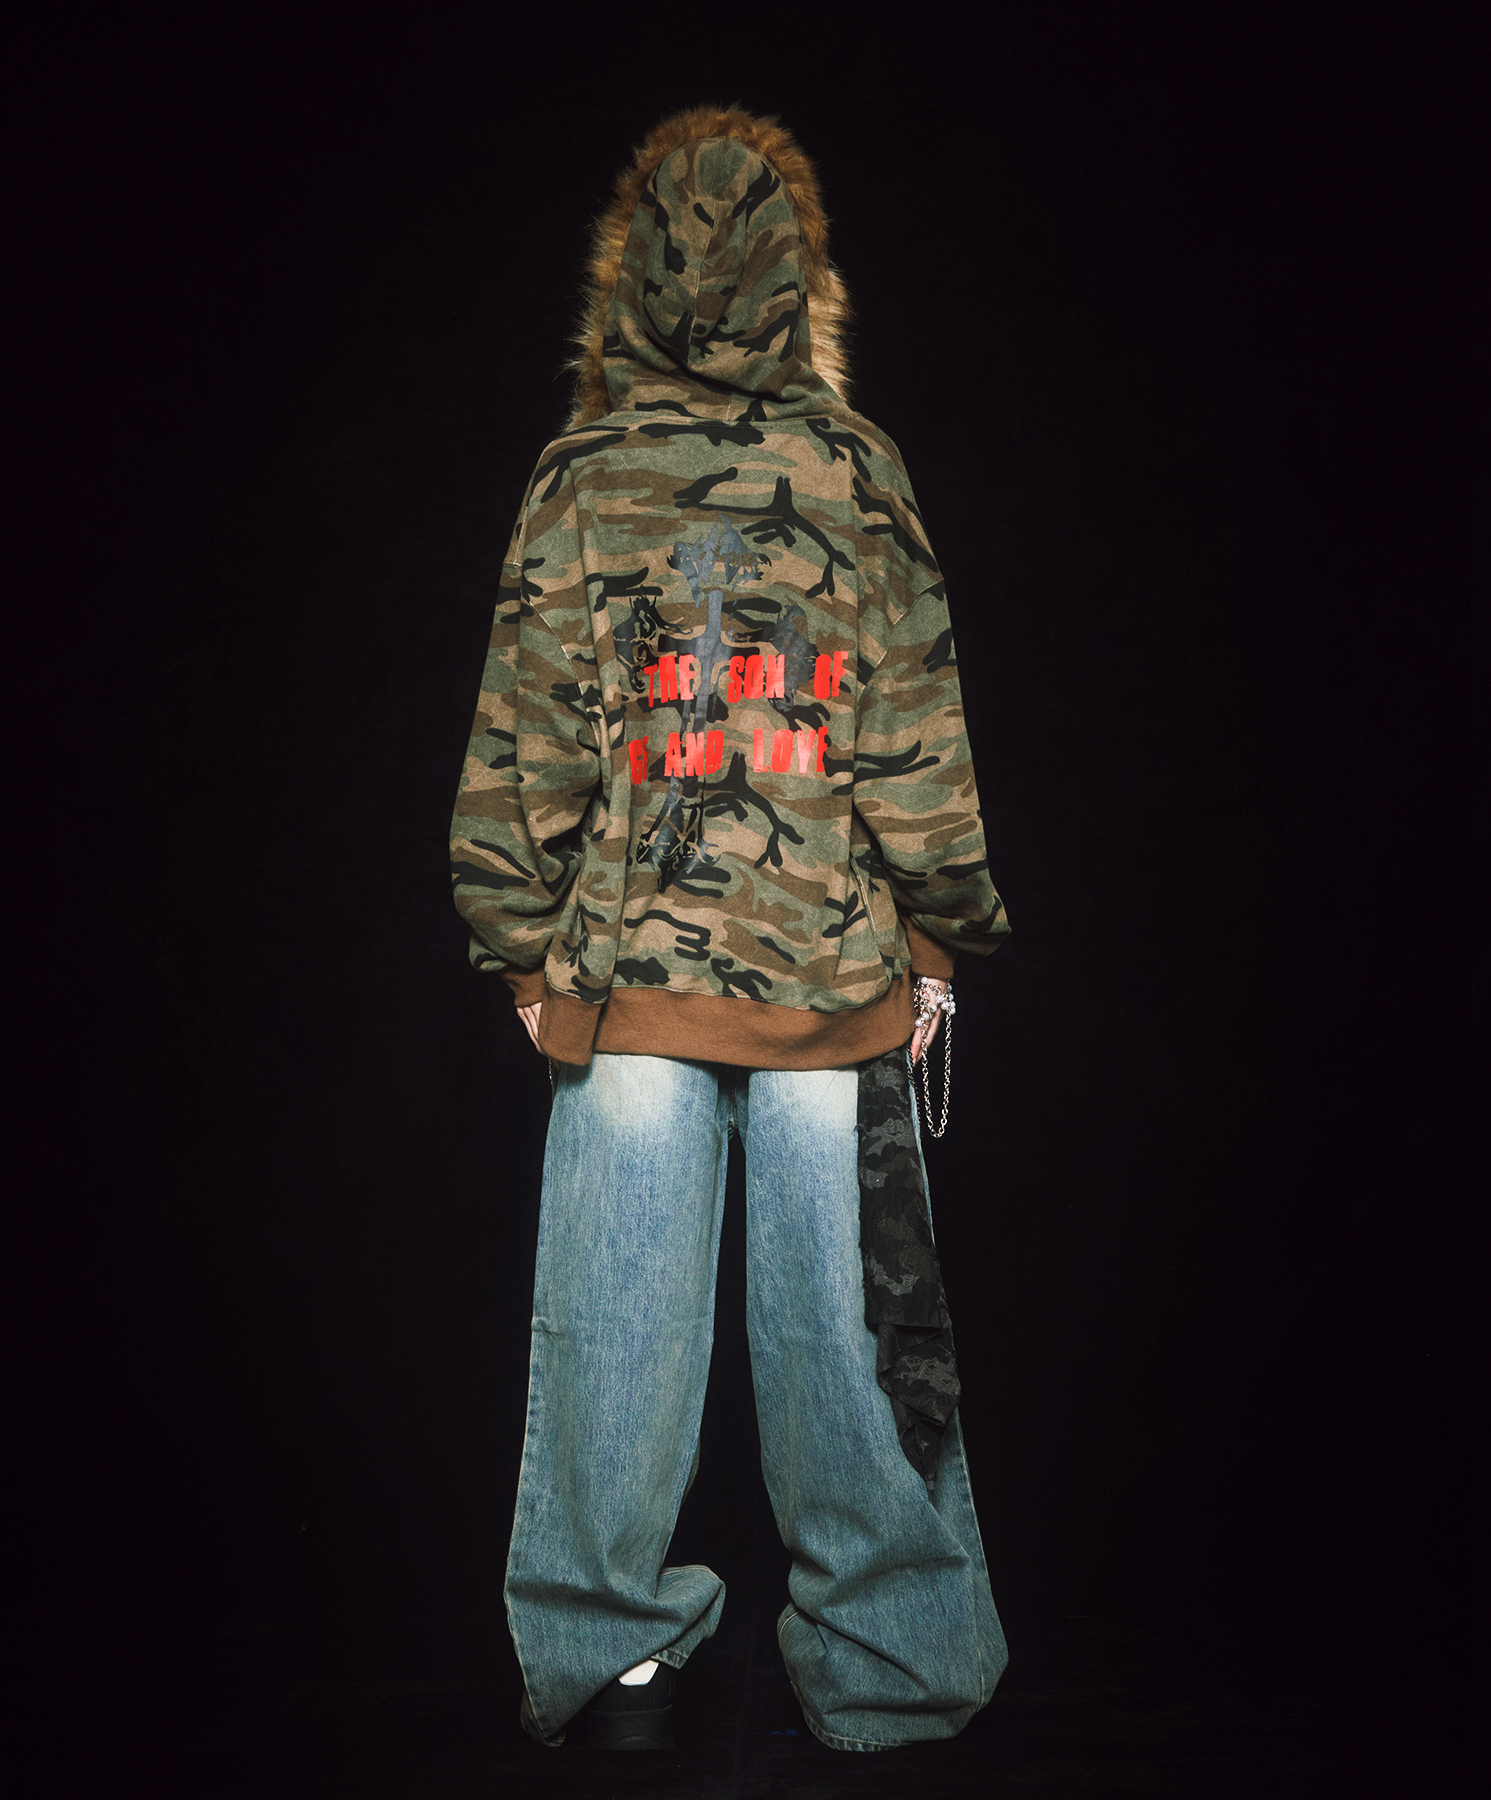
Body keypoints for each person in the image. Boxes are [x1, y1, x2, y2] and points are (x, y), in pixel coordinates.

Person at [449, 103, 1011, 1754]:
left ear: (625, 282)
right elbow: (912, 738)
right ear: (798, 282)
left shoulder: (580, 477)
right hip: (830, 972)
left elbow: (525, 739)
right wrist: (938, 938)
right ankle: (892, 1667)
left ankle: (611, 1664)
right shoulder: (856, 471)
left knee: (615, 1343)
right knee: (846, 1341)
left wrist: (518, 941)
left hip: (627, 979)